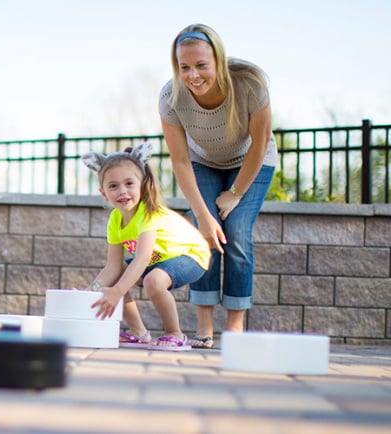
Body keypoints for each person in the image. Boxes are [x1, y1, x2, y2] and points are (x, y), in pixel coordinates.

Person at [159, 24, 278, 348]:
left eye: (201, 65)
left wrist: (235, 193)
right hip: (203, 162)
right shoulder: (171, 97)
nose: (193, 75)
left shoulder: (250, 85)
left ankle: (236, 326)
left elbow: (259, 143)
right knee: (204, 233)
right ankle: (204, 326)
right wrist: (204, 214)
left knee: (236, 231)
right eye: (184, 67)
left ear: (218, 62)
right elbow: (181, 161)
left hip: (252, 160)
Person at [82, 143, 211, 347]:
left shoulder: (148, 213)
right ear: (103, 192)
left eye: (129, 183)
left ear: (142, 184)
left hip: (191, 255)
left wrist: (117, 292)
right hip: (159, 259)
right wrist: (92, 289)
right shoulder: (115, 220)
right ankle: (138, 331)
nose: (122, 191)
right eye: (113, 186)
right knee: (115, 278)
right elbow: (113, 267)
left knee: (153, 280)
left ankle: (175, 333)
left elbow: (141, 259)